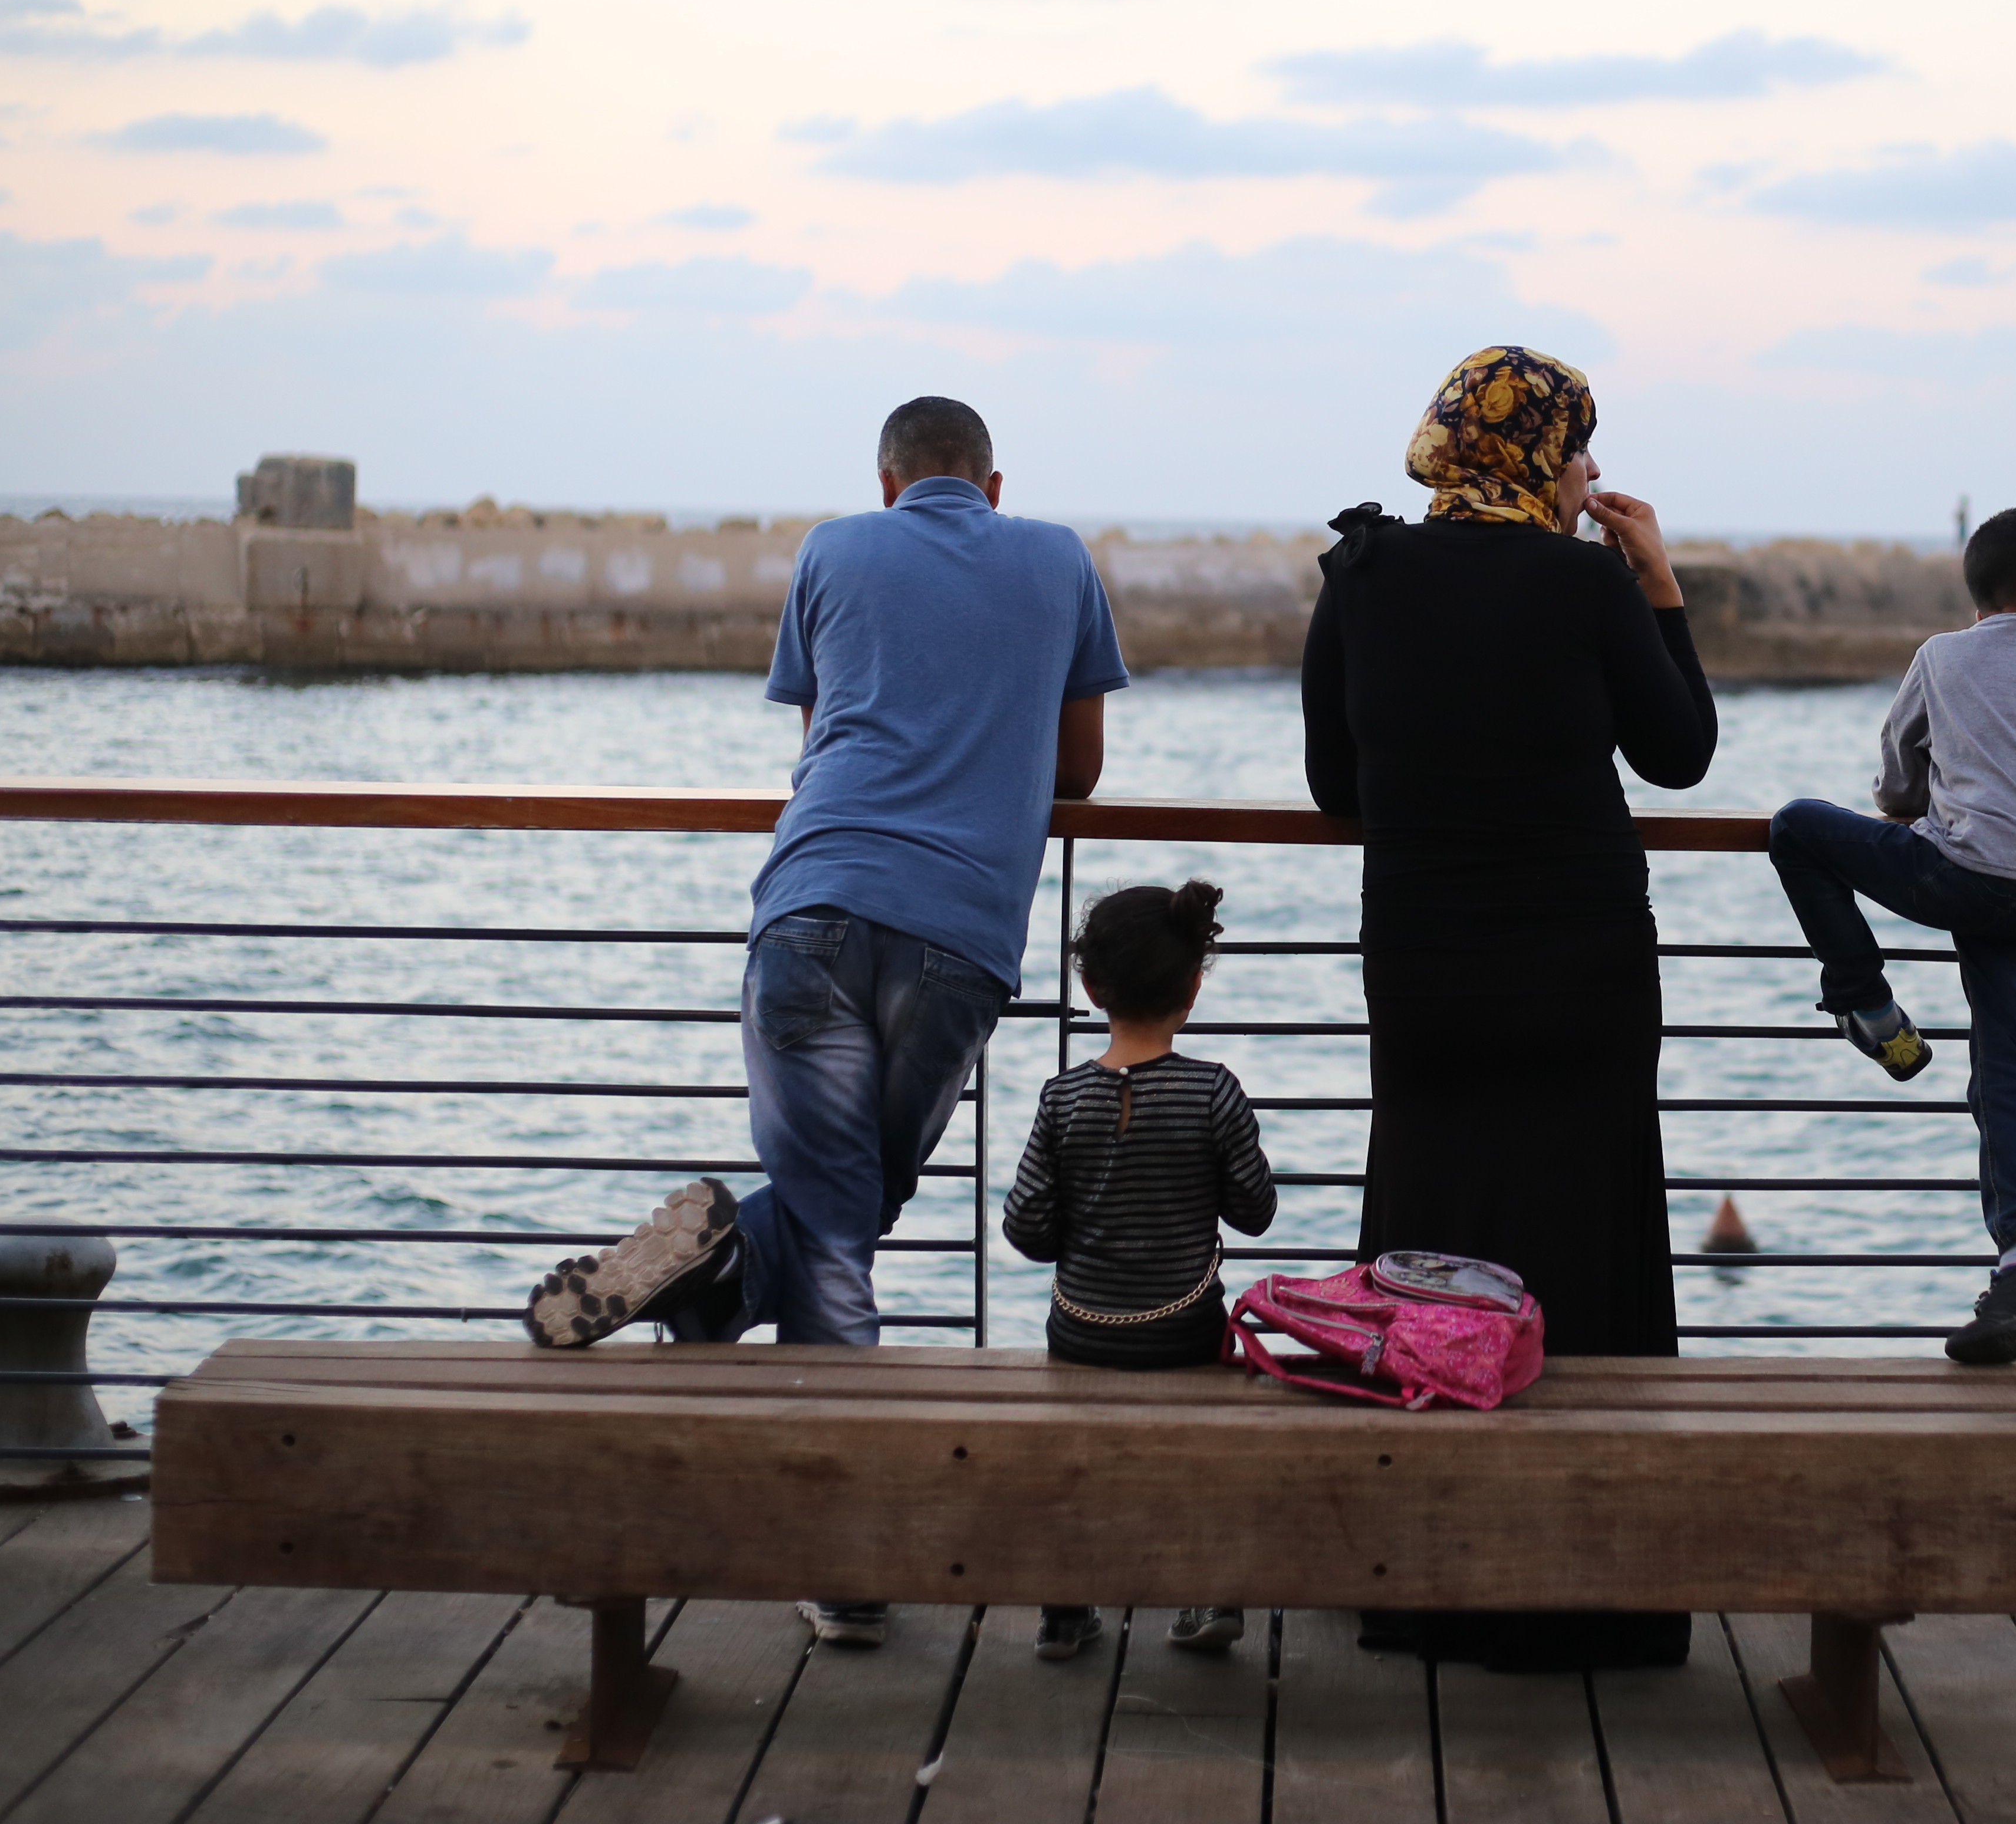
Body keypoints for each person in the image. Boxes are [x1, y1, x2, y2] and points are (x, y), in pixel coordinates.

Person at [522, 394, 1126, 1651]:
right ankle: (844, 1557)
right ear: (994, 486)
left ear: (888, 484)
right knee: (849, 1220)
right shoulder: (1060, 557)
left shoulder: (833, 548)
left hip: (810, 911)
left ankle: (725, 1269)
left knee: (838, 1209)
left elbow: (822, 743)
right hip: (960, 935)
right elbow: (1078, 772)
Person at [1303, 344, 1716, 1671]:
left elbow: (1334, 787)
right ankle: (1587, 1597)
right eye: (1580, 446)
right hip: (1582, 969)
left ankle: (1420, 1586)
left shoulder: (1362, 574)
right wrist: (1657, 584)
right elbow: (1680, 755)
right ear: (1542, 453)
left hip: (1427, 967)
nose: (1592, 471)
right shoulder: (1585, 582)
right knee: (1586, 1248)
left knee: (1430, 1243)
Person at [1766, 507, 2016, 1365]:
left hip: (1971, 879)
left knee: (1798, 828)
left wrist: (1947, 794)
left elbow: (1896, 786)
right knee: (2009, 1074)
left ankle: (1864, 1003)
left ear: (1981, 599)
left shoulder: (1940, 655)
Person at [1005, 880, 1277, 1667]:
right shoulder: (1213, 1090)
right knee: (1202, 1453)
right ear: (1193, 987)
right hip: (1184, 1329)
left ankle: (1064, 1613)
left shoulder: (1063, 1099)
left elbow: (1025, 1228)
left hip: (1083, 1331)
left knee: (1074, 1458)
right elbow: (1256, 1211)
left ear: (1092, 989)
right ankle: (1209, 1595)